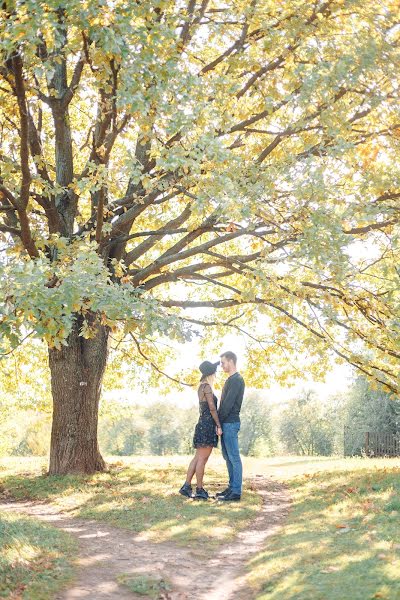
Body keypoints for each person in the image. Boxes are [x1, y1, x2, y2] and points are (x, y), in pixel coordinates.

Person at [179, 360, 222, 500]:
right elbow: (212, 408)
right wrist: (219, 425)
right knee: (202, 459)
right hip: (208, 425)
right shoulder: (207, 387)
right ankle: (199, 490)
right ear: (211, 374)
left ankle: (186, 486)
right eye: (215, 372)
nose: (216, 375)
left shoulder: (200, 387)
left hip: (201, 424)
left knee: (198, 458)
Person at [217, 351, 245, 502]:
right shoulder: (230, 379)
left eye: (223, 362)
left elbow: (227, 405)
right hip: (225, 423)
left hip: (230, 423)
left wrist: (218, 423)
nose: (221, 365)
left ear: (231, 361)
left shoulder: (237, 380)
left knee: (234, 457)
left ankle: (236, 492)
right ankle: (231, 487)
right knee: (227, 456)